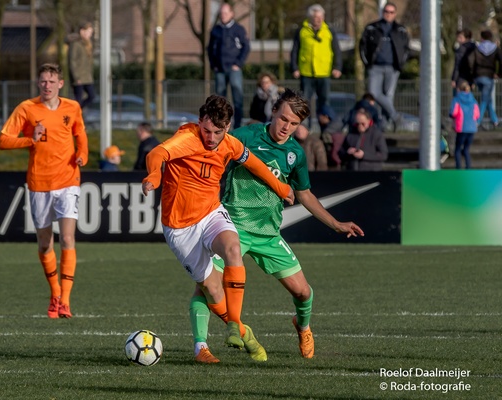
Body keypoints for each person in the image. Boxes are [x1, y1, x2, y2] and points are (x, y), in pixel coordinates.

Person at [187, 89, 364, 363]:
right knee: (206, 287)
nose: (286, 128)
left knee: (303, 292)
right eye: (283, 119)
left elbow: (304, 194)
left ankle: (303, 328)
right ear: (273, 112)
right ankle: (201, 347)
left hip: (268, 234)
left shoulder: (295, 153)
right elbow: (211, 149)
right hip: (231, 227)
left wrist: (335, 224)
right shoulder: (246, 136)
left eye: (294, 124)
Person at [141, 95, 295, 363]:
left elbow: (254, 163)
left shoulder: (230, 144)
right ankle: (242, 333)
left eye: (217, 132)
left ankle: (234, 325)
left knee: (233, 248)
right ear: (199, 122)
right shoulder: (188, 138)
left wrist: (281, 187)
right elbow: (157, 153)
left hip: (211, 212)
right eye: (207, 130)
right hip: (180, 227)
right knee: (213, 291)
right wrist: (154, 175)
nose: (210, 138)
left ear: (227, 127)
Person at [0, 63, 89, 319]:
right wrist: (30, 139)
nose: (46, 85)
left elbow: (80, 135)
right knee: (44, 242)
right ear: (38, 83)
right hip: (39, 183)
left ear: (60, 84)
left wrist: (82, 155)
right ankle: (55, 292)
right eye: (43, 81)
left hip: (68, 180)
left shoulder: (72, 107)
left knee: (68, 239)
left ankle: (66, 302)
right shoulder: (27, 108)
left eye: (51, 81)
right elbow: (3, 140)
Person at [360, 2, 409, 130]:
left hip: (392, 68)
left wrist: (400, 64)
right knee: (374, 94)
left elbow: (406, 48)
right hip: (375, 67)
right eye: (386, 11)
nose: (388, 14)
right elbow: (363, 46)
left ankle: (384, 124)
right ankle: (395, 117)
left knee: (388, 97)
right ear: (383, 12)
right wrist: (367, 63)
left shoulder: (400, 30)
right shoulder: (372, 28)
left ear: (395, 14)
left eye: (391, 12)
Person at [290, 4, 342, 124]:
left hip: (324, 73)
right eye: (315, 17)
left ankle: (324, 129)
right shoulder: (301, 31)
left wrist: (337, 67)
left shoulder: (329, 31)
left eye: (320, 17)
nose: (318, 20)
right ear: (310, 17)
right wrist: (294, 67)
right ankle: (304, 128)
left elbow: (336, 50)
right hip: (306, 72)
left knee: (325, 103)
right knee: (304, 102)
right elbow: (295, 50)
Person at [207, 3, 250, 129]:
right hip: (219, 69)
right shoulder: (215, 30)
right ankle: (221, 125)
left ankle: (237, 126)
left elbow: (246, 47)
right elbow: (210, 49)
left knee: (237, 99)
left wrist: (238, 63)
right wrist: (213, 64)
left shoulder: (238, 29)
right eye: (221, 13)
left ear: (232, 14)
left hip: (234, 68)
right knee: (220, 100)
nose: (223, 15)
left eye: (226, 13)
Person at [468, 29, 502, 129]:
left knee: (487, 99)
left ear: (482, 38)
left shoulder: (477, 49)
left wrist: (473, 75)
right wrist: (499, 74)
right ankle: (477, 121)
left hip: (478, 76)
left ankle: (495, 120)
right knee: (484, 99)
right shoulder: (495, 49)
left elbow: (471, 62)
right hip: (489, 76)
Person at [449, 81, 480, 169]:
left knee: (457, 149)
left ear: (458, 89)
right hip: (472, 128)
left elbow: (453, 113)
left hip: (461, 127)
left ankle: (458, 168)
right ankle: (468, 168)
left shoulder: (457, 99)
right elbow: (477, 114)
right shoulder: (473, 100)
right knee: (466, 150)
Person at [69, 22, 95, 109]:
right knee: (78, 100)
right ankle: (75, 113)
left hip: (87, 77)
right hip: (79, 78)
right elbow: (72, 61)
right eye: (88, 32)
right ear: (82, 31)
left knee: (92, 96)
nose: (90, 35)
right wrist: (76, 77)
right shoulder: (75, 44)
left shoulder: (88, 45)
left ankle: (76, 111)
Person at [316, 104, 345, 169]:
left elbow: (330, 151)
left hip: (333, 165)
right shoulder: (337, 127)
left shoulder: (327, 133)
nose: (318, 118)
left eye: (319, 116)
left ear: (326, 116)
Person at [451, 28, 476, 95]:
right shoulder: (475, 48)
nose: (458, 39)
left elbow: (457, 65)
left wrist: (454, 79)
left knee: (458, 98)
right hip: (471, 78)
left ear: (466, 38)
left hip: (461, 78)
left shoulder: (461, 49)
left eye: (460, 37)